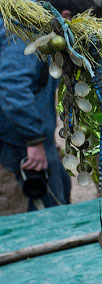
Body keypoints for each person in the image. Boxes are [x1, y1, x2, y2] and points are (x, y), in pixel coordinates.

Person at [0, 12, 71, 211]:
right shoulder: (17, 18)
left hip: (26, 132)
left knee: (62, 185)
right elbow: (13, 86)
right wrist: (33, 140)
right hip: (20, 139)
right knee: (51, 209)